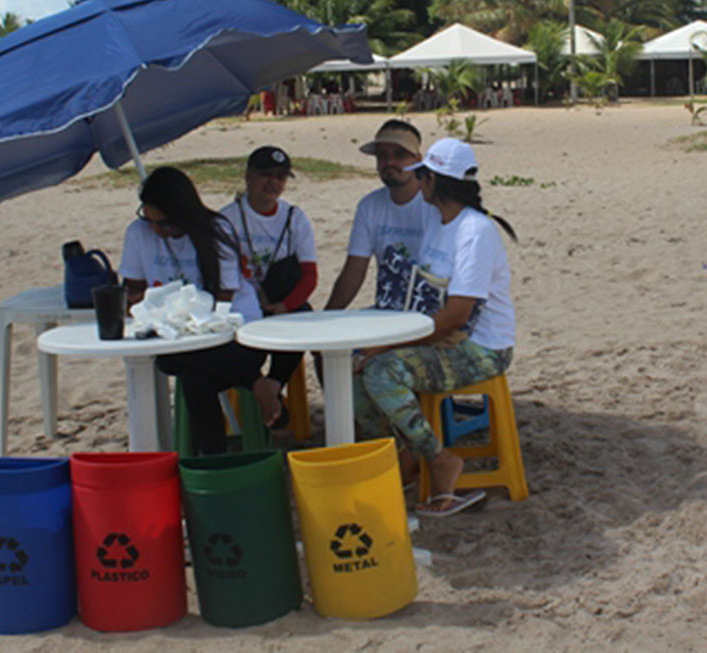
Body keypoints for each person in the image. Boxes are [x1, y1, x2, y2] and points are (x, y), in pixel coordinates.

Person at [353, 137, 517, 517]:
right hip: (445, 338)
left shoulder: (474, 232)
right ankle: (404, 452)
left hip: (482, 347)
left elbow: (458, 314)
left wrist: (386, 346)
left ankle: (438, 459)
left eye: (421, 175)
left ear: (435, 181)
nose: (417, 183)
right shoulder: (439, 222)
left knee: (379, 371)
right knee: (355, 367)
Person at [119, 166, 276, 454]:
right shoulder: (139, 234)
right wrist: (142, 302)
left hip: (232, 336)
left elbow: (222, 305)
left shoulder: (215, 231)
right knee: (170, 362)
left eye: (165, 224)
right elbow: (133, 290)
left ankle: (209, 460)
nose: (157, 231)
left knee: (193, 377)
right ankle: (256, 384)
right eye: (150, 221)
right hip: (180, 342)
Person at [219, 145, 318, 424]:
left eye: (280, 177)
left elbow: (310, 275)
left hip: (280, 300)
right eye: (266, 175)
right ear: (249, 176)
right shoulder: (228, 219)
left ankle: (273, 384)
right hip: (240, 304)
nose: (273, 183)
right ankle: (258, 387)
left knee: (305, 317)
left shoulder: (295, 218)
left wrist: (285, 306)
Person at [325, 119, 440, 312]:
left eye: (400, 154)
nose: (390, 162)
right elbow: (354, 270)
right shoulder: (369, 206)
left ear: (418, 160)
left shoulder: (437, 204)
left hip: (432, 312)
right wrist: (327, 317)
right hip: (388, 309)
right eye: (382, 156)